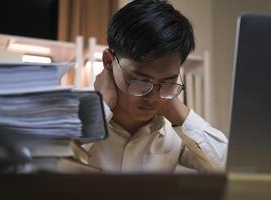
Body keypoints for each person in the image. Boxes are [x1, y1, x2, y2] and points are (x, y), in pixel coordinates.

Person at [88, 0, 228, 173]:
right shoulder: (69, 115)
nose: (153, 97)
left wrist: (178, 112)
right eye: (141, 81)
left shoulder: (173, 132)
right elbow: (47, 168)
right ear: (109, 61)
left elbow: (237, 170)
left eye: (167, 82)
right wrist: (100, 109)